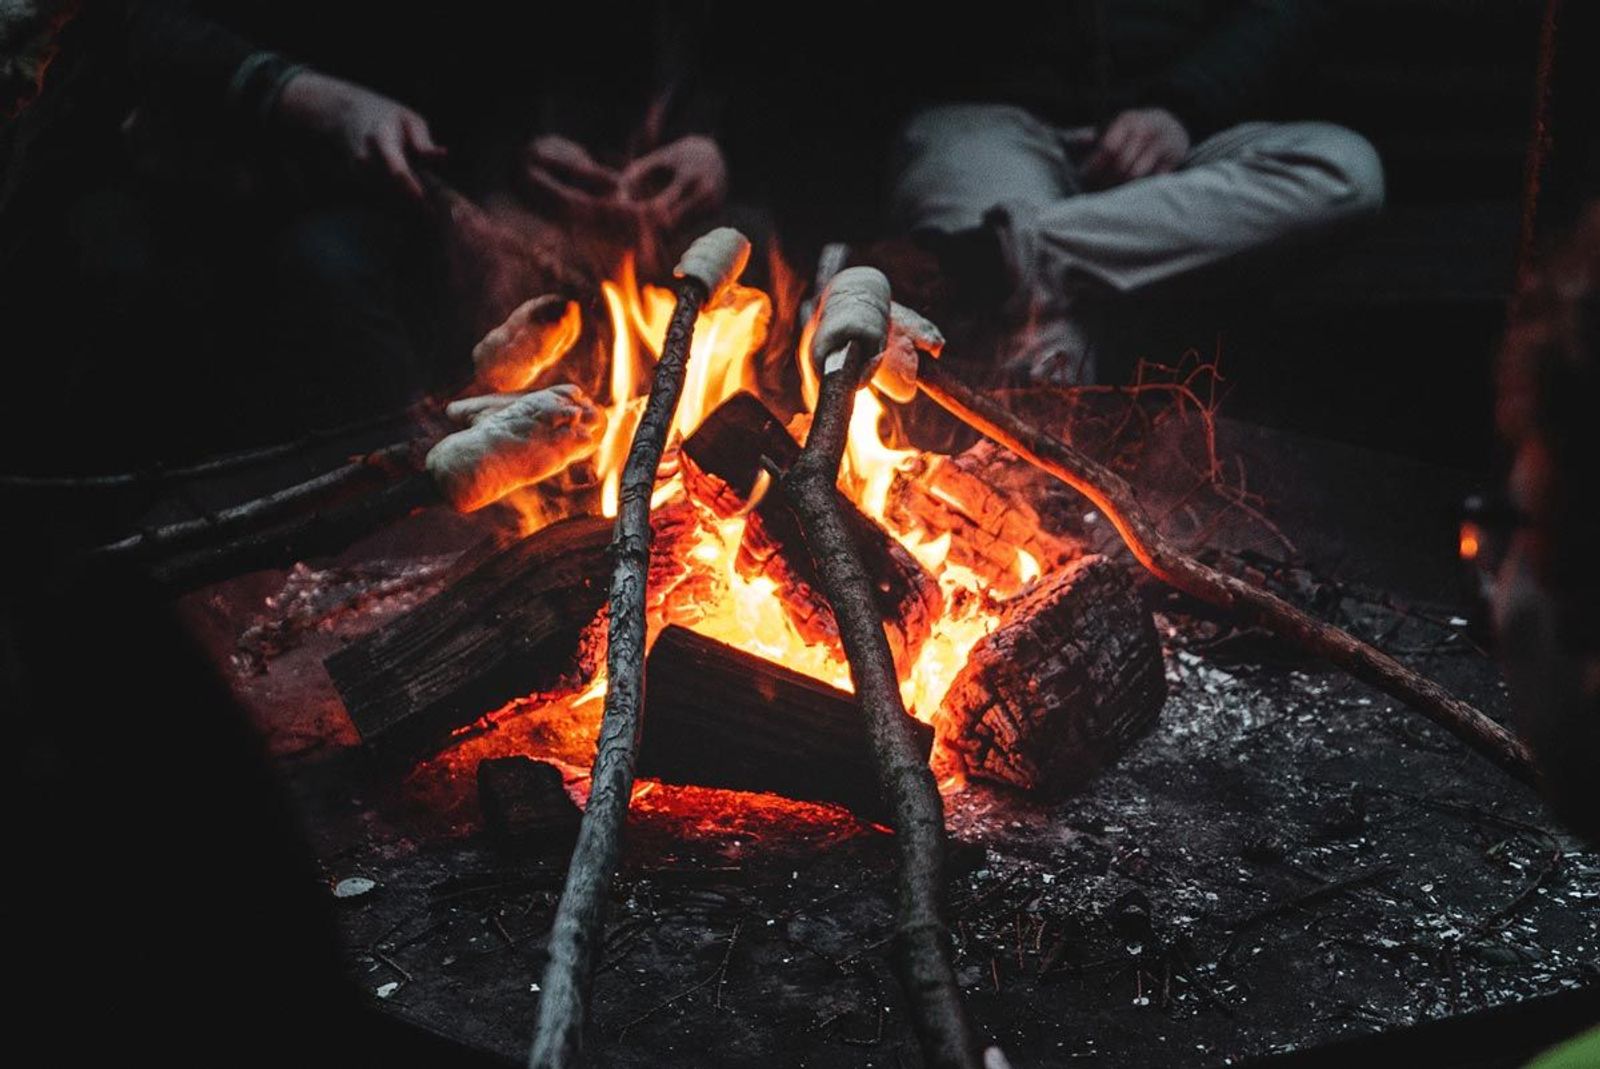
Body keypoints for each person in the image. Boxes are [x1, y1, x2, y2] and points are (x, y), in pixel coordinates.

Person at [886, 0, 1385, 385]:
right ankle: (1036, 485)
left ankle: (990, 254)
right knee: (1035, 336)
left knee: (1343, 172)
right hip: (993, 122)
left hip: (1183, 131)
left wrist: (1183, 107)